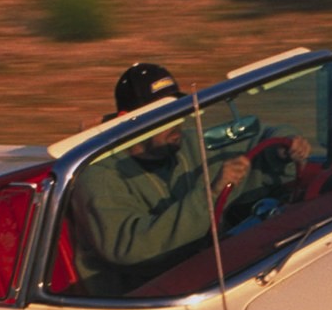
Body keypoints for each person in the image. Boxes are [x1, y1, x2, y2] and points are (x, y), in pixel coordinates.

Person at [68, 63, 305, 297]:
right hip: (147, 302)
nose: (176, 123)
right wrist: (209, 194)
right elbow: (133, 248)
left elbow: (254, 139)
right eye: (162, 115)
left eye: (177, 111)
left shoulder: (184, 144)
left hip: (214, 277)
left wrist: (282, 149)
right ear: (129, 119)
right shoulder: (98, 175)